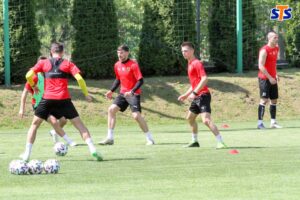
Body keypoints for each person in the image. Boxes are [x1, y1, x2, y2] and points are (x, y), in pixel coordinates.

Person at [20, 42, 102, 161]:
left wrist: (33, 85)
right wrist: (86, 94)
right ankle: (93, 149)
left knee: (34, 126)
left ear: (51, 52)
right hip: (64, 100)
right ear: (62, 53)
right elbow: (80, 79)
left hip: (47, 99)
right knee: (80, 126)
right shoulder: (67, 63)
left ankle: (27, 155)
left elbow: (28, 75)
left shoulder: (43, 62)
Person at [98, 44, 154, 146]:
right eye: (118, 52)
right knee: (111, 109)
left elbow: (140, 81)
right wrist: (111, 91)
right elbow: (118, 79)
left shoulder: (133, 65)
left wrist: (132, 91)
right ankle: (110, 138)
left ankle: (149, 139)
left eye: (122, 52)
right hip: (123, 93)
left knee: (136, 116)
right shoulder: (117, 65)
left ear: (127, 53)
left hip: (133, 94)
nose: (120, 55)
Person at [19, 56, 77, 146]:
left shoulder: (51, 76)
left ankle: (54, 132)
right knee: (53, 121)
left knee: (64, 120)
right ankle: (69, 141)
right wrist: (21, 109)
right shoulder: (34, 78)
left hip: (50, 103)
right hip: (39, 105)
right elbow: (24, 93)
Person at [178, 41, 227, 149]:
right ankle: (194, 141)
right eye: (182, 51)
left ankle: (221, 142)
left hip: (203, 95)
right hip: (197, 96)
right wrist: (186, 95)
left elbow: (204, 79)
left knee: (206, 120)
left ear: (192, 51)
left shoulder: (196, 63)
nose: (184, 53)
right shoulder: (190, 63)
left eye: (186, 51)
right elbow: (194, 83)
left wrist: (195, 93)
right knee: (190, 118)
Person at [257, 31, 282, 129]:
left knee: (274, 99)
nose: (277, 39)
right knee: (264, 100)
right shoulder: (264, 50)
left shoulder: (276, 48)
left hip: (272, 78)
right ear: (269, 39)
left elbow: (273, 63)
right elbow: (260, 66)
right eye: (275, 38)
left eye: (277, 37)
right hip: (264, 79)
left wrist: (275, 74)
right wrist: (270, 77)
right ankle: (260, 123)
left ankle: (273, 122)